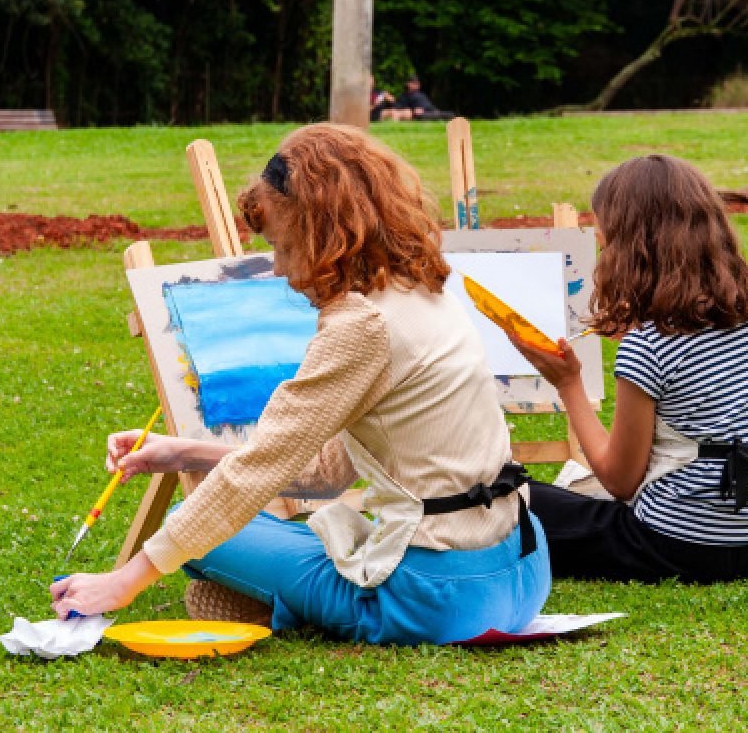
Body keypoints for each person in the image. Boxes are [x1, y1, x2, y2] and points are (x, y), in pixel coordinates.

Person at [51, 123, 550, 645]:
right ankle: (271, 599)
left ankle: (276, 604)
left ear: (325, 234)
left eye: (283, 247)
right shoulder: (420, 288)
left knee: (197, 531)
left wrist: (122, 583)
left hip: (438, 598)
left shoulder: (361, 324)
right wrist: (182, 453)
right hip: (522, 567)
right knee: (234, 532)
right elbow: (326, 473)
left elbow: (257, 472)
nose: (280, 270)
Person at [510, 155, 748, 585]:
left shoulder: (648, 347)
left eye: (607, 242)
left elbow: (620, 481)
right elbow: (706, 368)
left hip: (671, 545)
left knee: (515, 500)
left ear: (631, 250)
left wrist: (568, 384)